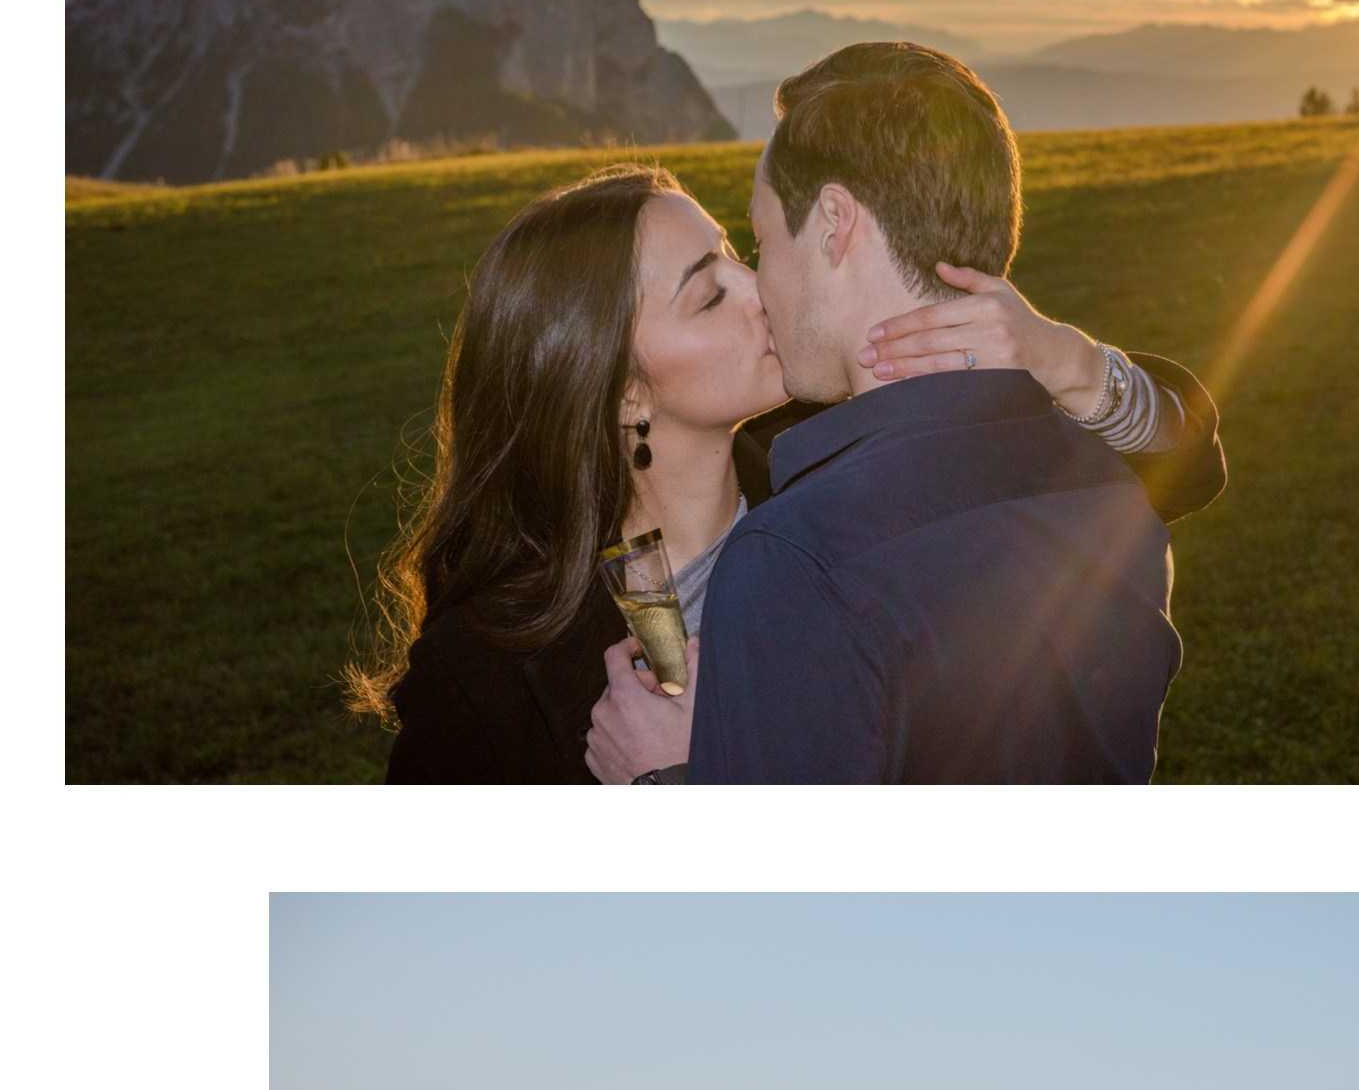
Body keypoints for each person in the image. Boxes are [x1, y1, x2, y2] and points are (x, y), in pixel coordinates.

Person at [349, 156, 1222, 782]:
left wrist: (1065, 361)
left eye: (735, 249)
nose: (759, 284)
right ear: (622, 395)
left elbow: (1180, 471)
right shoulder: (484, 673)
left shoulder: (853, 451)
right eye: (708, 291)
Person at [618, 41, 1202, 784]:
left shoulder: (794, 557)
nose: (759, 284)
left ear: (835, 222)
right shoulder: (1108, 480)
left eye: (762, 240)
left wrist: (665, 778)